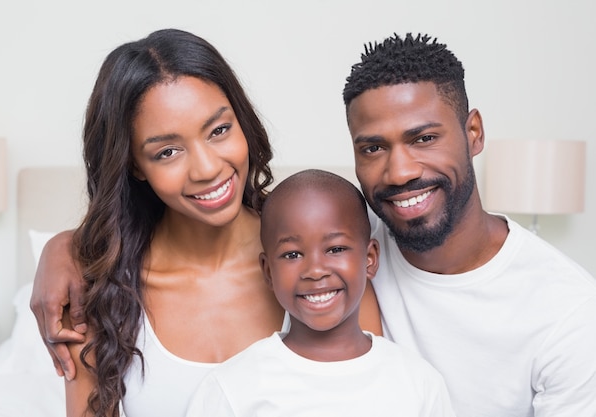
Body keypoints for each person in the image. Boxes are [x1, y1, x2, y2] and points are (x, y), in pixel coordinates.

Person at [36, 29, 383, 417]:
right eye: (168, 151)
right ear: (134, 163)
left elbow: (379, 395)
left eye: (219, 130)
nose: (207, 169)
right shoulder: (95, 289)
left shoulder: (325, 261)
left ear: (242, 120)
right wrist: (62, 246)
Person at [342, 33, 596, 417]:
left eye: (424, 138)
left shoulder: (567, 311)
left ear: (473, 133)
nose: (399, 172)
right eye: (373, 149)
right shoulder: (340, 268)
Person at [185, 169, 455, 417]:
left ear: (370, 259)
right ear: (268, 271)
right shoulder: (232, 388)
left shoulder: (418, 383)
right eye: (292, 254)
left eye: (335, 249)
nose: (315, 270)